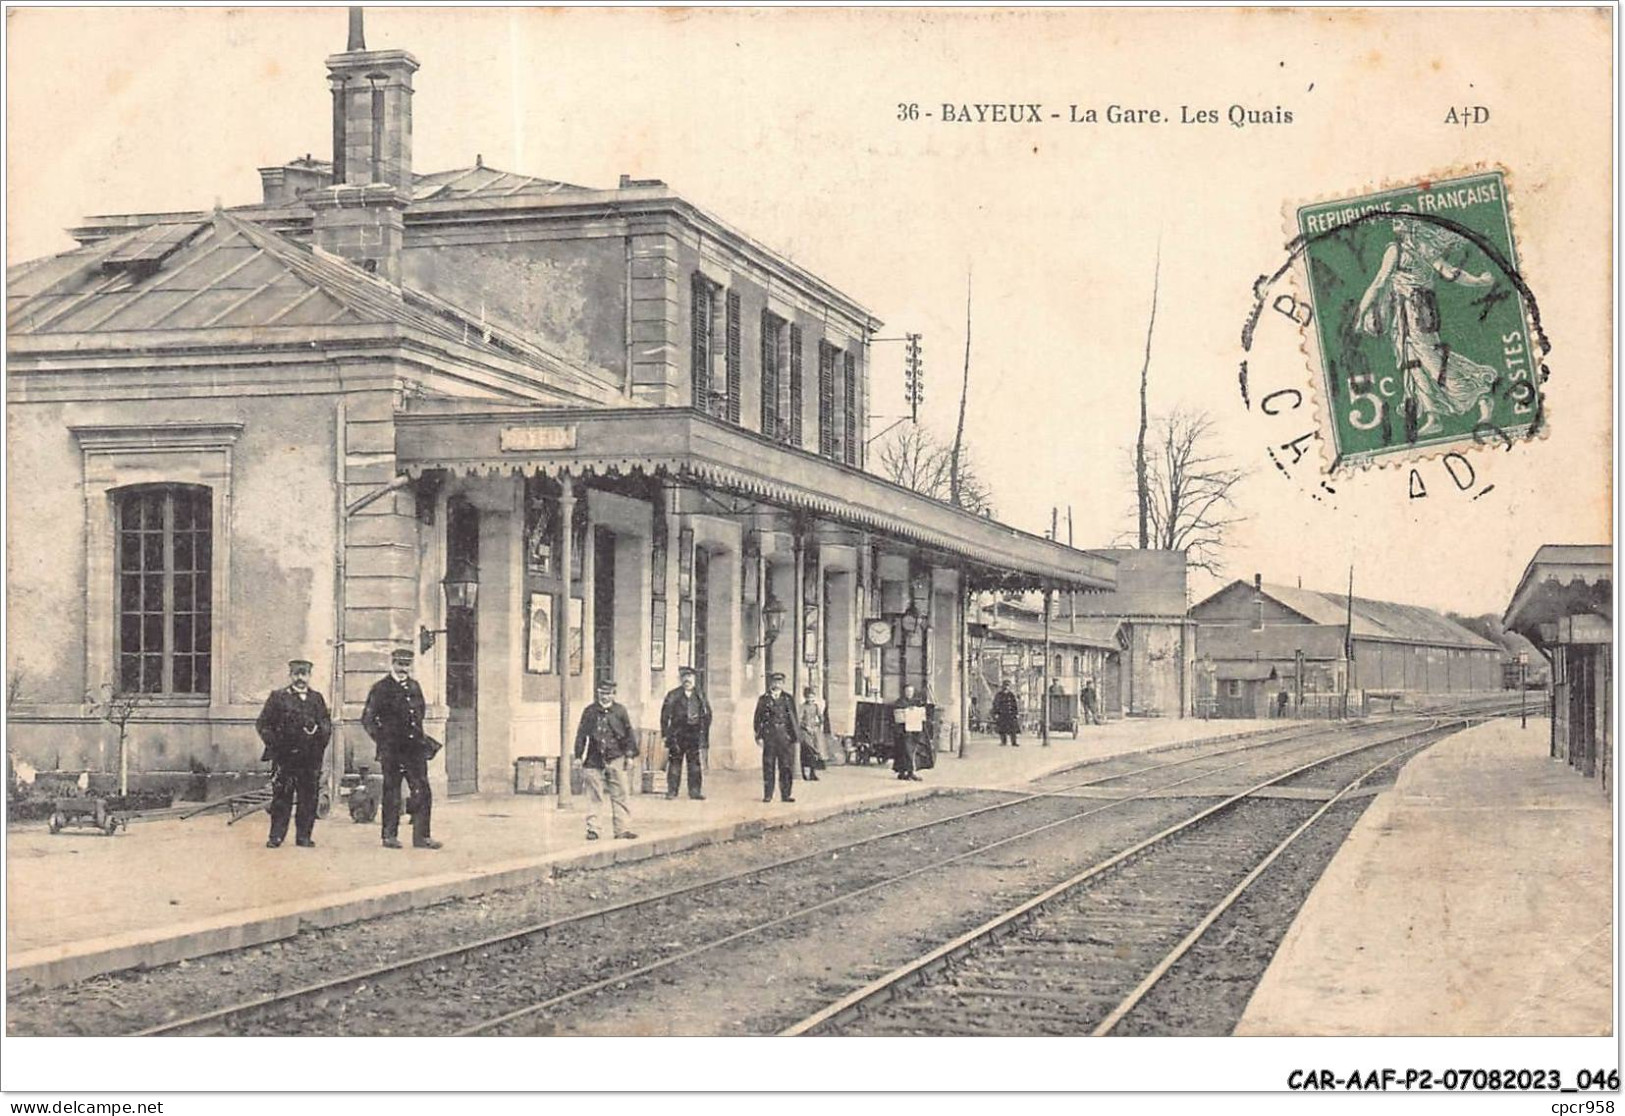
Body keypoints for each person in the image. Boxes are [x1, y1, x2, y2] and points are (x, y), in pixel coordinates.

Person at [1356, 216, 1498, 437]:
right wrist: (1479, 281)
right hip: (1403, 316)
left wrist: (1360, 314)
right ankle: (1433, 417)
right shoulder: (1404, 248)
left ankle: (1481, 396)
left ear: (1412, 224)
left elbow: (1380, 283)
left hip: (1417, 313)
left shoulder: (1407, 249)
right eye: (1395, 221)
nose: (1396, 223)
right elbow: (1449, 273)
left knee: (1434, 363)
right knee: (1412, 364)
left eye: (1401, 220)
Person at [361, 648, 442, 850]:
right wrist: (384, 740)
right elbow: (368, 719)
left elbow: (419, 714)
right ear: (393, 663)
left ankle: (422, 837)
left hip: (414, 749)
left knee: (422, 790)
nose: (403, 668)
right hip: (393, 750)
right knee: (392, 791)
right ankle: (389, 835)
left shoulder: (415, 686)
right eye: (400, 664)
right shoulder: (381, 688)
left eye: (407, 664)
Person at [255, 658, 332, 849]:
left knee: (308, 798)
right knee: (282, 798)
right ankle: (276, 837)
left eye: (304, 674)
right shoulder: (278, 697)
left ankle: (304, 837)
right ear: (290, 675)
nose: (300, 678)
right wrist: (277, 746)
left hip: (310, 760)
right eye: (296, 674)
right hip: (286, 758)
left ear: (309, 676)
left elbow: (326, 725)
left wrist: (318, 742)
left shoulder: (317, 698)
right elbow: (263, 725)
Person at [575, 679, 639, 840]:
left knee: (620, 794)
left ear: (614, 694)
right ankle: (593, 829)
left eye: (609, 693)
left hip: (616, 758)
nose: (605, 697)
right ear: (597, 693)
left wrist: (630, 756)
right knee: (594, 795)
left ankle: (622, 829)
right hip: (593, 760)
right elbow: (581, 735)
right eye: (602, 693)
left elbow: (629, 735)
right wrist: (578, 756)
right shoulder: (589, 712)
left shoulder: (620, 711)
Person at [660, 666, 711, 800]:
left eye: (690, 677)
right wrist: (665, 734)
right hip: (677, 734)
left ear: (694, 679)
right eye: (685, 677)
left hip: (694, 733)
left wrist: (704, 733)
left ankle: (695, 791)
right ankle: (672, 791)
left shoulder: (700, 695)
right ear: (681, 679)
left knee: (694, 763)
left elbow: (707, 714)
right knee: (675, 763)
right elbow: (665, 716)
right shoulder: (673, 695)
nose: (687, 680)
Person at [753, 672, 798, 803]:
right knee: (768, 766)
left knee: (786, 766)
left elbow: (793, 718)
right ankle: (768, 794)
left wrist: (793, 736)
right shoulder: (763, 699)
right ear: (771, 683)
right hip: (769, 737)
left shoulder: (788, 699)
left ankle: (786, 794)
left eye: (779, 682)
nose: (777, 684)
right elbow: (757, 719)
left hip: (785, 736)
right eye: (774, 682)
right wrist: (759, 736)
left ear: (783, 684)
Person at [893, 684, 927, 781]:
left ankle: (907, 772)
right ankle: (907, 772)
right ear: (904, 692)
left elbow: (921, 714)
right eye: (907, 691)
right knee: (905, 752)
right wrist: (907, 711)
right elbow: (898, 716)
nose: (909, 693)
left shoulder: (916, 702)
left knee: (911, 751)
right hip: (903, 732)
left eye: (911, 692)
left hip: (914, 731)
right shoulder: (900, 702)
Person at [799, 686, 828, 782]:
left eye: (812, 697)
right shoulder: (803, 707)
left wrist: (817, 725)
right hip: (805, 732)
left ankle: (813, 773)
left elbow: (821, 718)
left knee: (815, 752)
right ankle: (803, 773)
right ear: (805, 697)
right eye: (808, 697)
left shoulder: (815, 707)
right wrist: (806, 726)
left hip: (814, 731)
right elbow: (799, 720)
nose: (810, 699)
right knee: (807, 751)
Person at [992, 679, 1021, 747]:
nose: (1007, 687)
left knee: (1012, 729)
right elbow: (996, 704)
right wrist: (996, 713)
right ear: (1003, 686)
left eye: (1008, 685)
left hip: (1011, 714)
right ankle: (1003, 741)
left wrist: (1016, 713)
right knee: (1002, 729)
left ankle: (1014, 742)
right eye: (1005, 685)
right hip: (1002, 714)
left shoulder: (1011, 695)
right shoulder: (999, 695)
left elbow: (1014, 705)